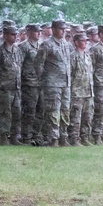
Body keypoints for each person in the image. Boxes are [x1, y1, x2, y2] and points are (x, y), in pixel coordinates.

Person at [36, 18, 72, 146]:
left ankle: (63, 136)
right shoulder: (47, 44)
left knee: (65, 111)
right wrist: (43, 80)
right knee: (53, 112)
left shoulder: (66, 44)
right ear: (54, 29)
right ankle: (53, 138)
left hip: (65, 83)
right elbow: (39, 64)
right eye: (61, 29)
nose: (63, 31)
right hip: (52, 84)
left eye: (64, 29)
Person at [0, 23, 23, 145]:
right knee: (4, 113)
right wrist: (0, 83)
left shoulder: (17, 50)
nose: (15, 37)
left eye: (16, 34)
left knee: (16, 112)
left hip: (16, 87)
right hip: (4, 88)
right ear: (5, 35)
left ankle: (14, 137)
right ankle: (3, 137)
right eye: (12, 34)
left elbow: (20, 66)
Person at [68, 32, 94, 146]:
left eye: (86, 41)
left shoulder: (87, 55)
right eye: (83, 41)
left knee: (87, 116)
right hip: (77, 91)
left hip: (88, 91)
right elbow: (70, 74)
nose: (85, 43)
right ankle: (74, 139)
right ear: (76, 42)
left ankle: (85, 137)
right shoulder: (73, 56)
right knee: (76, 117)